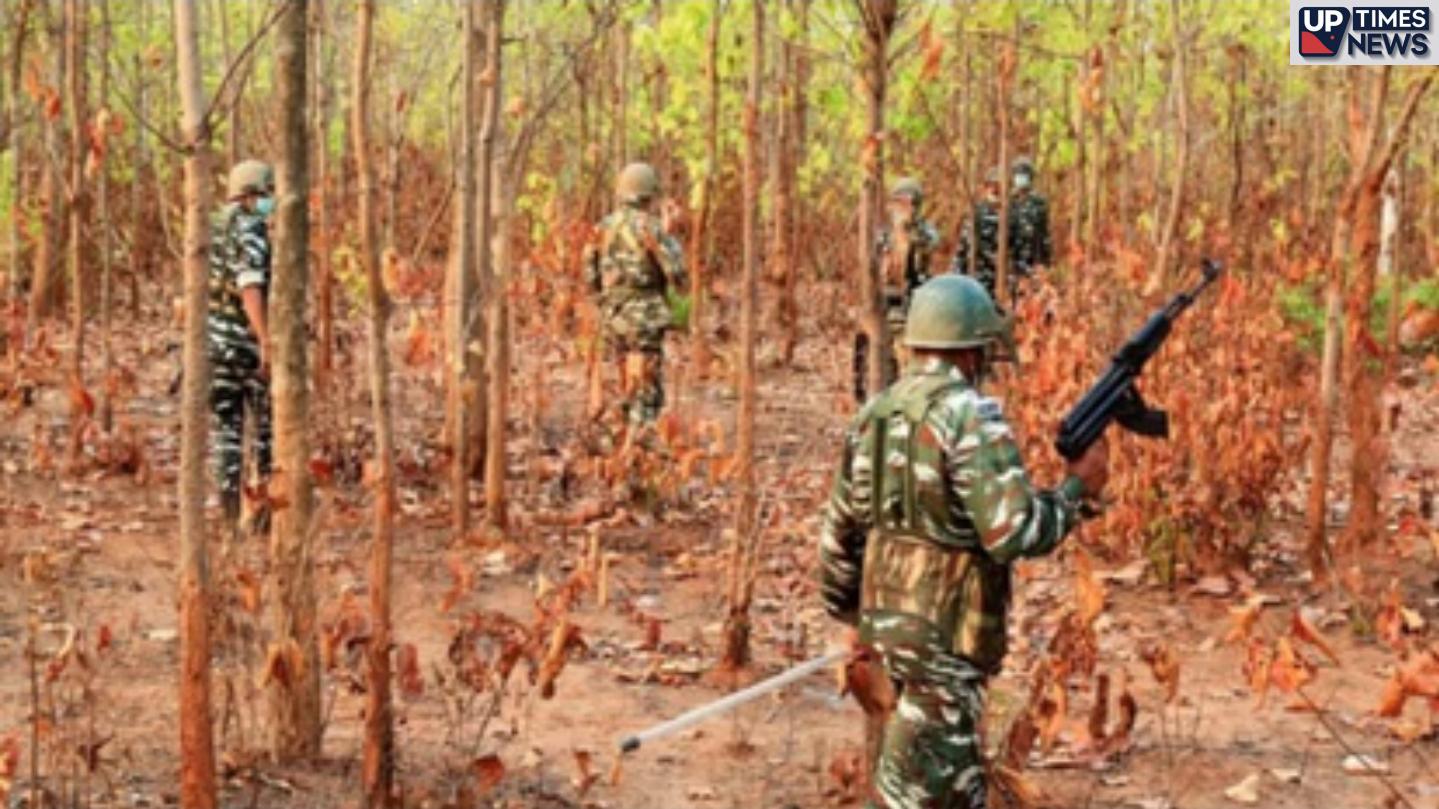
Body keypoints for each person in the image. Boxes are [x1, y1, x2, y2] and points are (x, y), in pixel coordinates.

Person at [818, 275, 1110, 809]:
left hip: (887, 637)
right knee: (935, 795)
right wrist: (1075, 492)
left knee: (913, 785)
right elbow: (1014, 532)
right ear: (973, 351)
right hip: (946, 645)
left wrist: (852, 618)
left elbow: (839, 536)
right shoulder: (972, 417)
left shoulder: (873, 416)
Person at [584, 162, 687, 428]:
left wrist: (607, 302)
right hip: (645, 318)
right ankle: (639, 441)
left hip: (613, 315)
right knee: (646, 389)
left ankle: (619, 435)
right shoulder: (652, 228)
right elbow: (678, 275)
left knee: (623, 379)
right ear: (650, 194)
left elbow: (590, 278)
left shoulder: (602, 227)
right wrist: (671, 236)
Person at [208, 159, 275, 533]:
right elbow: (250, 286)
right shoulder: (251, 228)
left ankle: (229, 518)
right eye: (267, 193)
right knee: (265, 430)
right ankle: (263, 515)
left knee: (227, 433)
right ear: (253, 194)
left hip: (213, 344)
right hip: (243, 344)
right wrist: (265, 339)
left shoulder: (213, 226)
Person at [854, 177, 943, 403]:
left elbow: (930, 243)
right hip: (887, 303)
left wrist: (909, 229)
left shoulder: (925, 231)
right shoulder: (885, 234)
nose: (899, 208)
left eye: (905, 202)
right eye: (896, 202)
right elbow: (875, 261)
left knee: (911, 356)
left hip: (917, 303)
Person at [951, 168, 1003, 301]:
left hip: (1002, 280)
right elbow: (963, 248)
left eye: (998, 187)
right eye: (991, 186)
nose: (994, 190)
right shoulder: (977, 213)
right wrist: (955, 277)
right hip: (979, 277)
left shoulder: (1011, 214)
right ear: (986, 188)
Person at [1010, 156, 1052, 276]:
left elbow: (1044, 232)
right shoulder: (1009, 201)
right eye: (1018, 174)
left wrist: (1044, 261)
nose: (1020, 178)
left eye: (1024, 174)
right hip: (1013, 258)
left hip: (1033, 256)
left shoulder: (1039, 201)